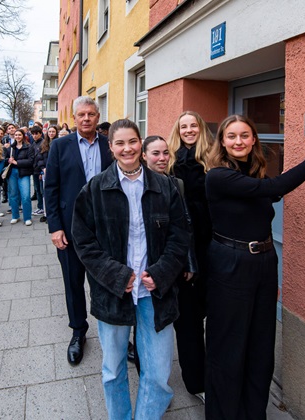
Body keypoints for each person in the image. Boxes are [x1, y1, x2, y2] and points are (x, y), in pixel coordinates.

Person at [204, 115, 305, 419]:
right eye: (231, 136)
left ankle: (254, 414)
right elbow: (277, 187)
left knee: (260, 346)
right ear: (222, 142)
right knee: (228, 347)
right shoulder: (217, 176)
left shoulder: (254, 173)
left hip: (263, 263)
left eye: (245, 135)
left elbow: (273, 191)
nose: (239, 141)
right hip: (230, 266)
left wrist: (267, 273)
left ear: (254, 139)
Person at [72, 119, 190, 418]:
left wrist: (161, 273)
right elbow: (84, 242)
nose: (128, 148)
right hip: (114, 293)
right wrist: (117, 276)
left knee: (157, 374)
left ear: (141, 144)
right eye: (120, 143)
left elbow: (180, 236)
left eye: (133, 141)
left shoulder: (165, 186)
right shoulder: (95, 189)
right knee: (113, 371)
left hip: (155, 293)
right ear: (110, 147)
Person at [44, 96, 113, 365]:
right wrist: (55, 227)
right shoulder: (60, 146)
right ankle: (78, 331)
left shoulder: (110, 145)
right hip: (70, 228)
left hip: (106, 228)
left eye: (91, 114)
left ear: (98, 117)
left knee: (109, 281)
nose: (86, 119)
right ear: (74, 118)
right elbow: (51, 189)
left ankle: (114, 331)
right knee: (73, 282)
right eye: (81, 114)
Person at [165, 110, 214, 403]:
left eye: (193, 125)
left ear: (201, 128)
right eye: (183, 126)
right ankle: (196, 381)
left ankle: (217, 372)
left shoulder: (214, 160)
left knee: (215, 314)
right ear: (178, 130)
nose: (189, 130)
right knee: (189, 321)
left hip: (215, 246)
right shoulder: (170, 163)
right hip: (186, 250)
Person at [4, 128, 35, 225]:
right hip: (12, 173)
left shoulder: (28, 147)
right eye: (16, 135)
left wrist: (16, 162)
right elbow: (4, 159)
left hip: (24, 173)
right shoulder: (11, 148)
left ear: (23, 136)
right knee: (13, 195)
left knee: (25, 196)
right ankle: (15, 216)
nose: (18, 136)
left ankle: (27, 217)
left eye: (19, 135)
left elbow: (31, 161)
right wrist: (8, 160)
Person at [30, 125, 45, 216]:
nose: (34, 136)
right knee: (37, 189)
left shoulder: (43, 143)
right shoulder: (34, 143)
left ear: (40, 133)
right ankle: (40, 207)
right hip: (35, 170)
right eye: (33, 134)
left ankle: (42, 207)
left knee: (41, 190)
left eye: (36, 134)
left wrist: (41, 171)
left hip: (40, 170)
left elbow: (42, 158)